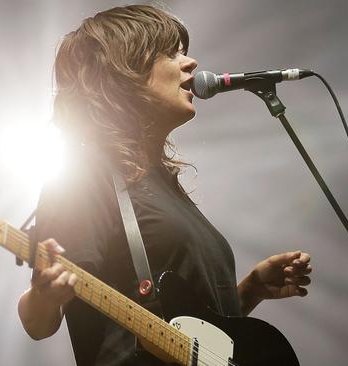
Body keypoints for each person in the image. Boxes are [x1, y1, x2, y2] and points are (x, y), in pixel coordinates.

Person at [17, 5, 312, 366]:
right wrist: (44, 294)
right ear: (123, 72)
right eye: (170, 53)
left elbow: (191, 334)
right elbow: (37, 322)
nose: (191, 63)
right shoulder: (85, 176)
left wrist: (249, 291)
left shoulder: (161, 184)